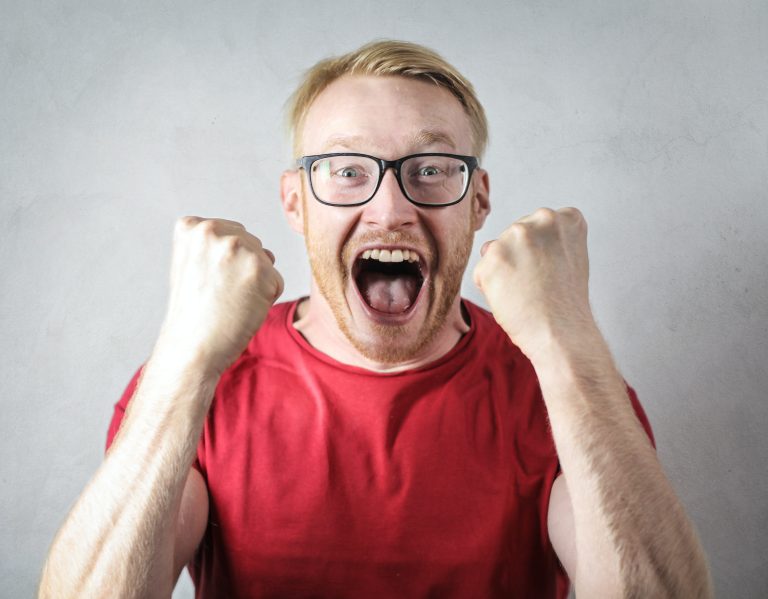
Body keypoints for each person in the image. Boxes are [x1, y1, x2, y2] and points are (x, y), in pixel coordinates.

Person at [40, 40, 712, 598]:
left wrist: (570, 345)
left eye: (430, 168)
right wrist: (185, 359)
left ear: (478, 201)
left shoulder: (563, 388)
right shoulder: (197, 385)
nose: (390, 208)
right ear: (296, 202)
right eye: (344, 169)